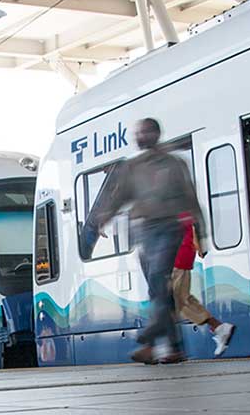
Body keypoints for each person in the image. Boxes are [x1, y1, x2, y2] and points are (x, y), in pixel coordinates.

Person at [82, 118, 208, 365]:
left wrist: (200, 232)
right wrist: (103, 217)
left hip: (168, 228)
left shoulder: (174, 164)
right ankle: (172, 348)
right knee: (157, 288)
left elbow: (190, 197)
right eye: (138, 132)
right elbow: (120, 195)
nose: (140, 136)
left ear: (156, 134)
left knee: (160, 276)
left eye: (145, 131)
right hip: (144, 231)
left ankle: (149, 337)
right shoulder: (133, 167)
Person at [172, 213, 235, 356]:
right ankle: (218, 327)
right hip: (180, 254)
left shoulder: (165, 198)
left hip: (176, 255)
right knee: (180, 299)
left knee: (176, 300)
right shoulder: (174, 198)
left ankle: (168, 347)